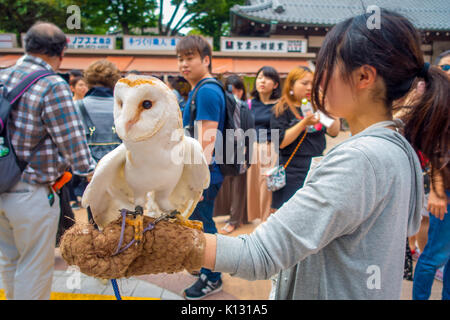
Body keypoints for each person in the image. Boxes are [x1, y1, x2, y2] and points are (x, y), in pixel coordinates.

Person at [168, 9, 449, 299]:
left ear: (364, 76)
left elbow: (259, 254)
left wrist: (163, 242)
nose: (318, 82)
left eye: (327, 68)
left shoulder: (360, 160)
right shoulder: (398, 145)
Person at [0, 22, 95, 299]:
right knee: (34, 268)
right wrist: (91, 173)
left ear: (27, 45)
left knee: (9, 261)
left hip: (1, 184)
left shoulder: (3, 77)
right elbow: (74, 145)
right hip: (32, 192)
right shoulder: (51, 84)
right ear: (61, 53)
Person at [176, 35, 226, 299]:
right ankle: (205, 268)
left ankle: (213, 277)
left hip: (204, 174)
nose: (184, 64)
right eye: (180, 59)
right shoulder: (200, 89)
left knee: (204, 226)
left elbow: (207, 142)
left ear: (206, 60)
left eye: (190, 58)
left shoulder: (206, 90)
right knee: (199, 224)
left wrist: (195, 181)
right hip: (202, 173)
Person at [270, 66, 340, 212]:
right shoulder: (281, 108)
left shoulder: (317, 108)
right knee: (289, 211)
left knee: (313, 210)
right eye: (304, 83)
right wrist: (303, 123)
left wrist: (329, 107)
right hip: (291, 168)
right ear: (291, 85)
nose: (309, 88)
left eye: (312, 83)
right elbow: (280, 142)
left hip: (316, 166)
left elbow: (334, 131)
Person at [412, 49, 450, 300]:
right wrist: (436, 192)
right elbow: (434, 149)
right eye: (446, 68)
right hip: (445, 190)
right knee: (434, 255)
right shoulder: (438, 105)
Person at [73, 59, 122, 220]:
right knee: (122, 225)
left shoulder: (77, 107)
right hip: (122, 174)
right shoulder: (123, 107)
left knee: (96, 222)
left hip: (91, 175)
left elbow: (73, 142)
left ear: (88, 80)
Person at [215, 75, 249, 234]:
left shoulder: (244, 107)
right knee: (226, 185)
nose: (235, 93)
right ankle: (234, 216)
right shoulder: (223, 106)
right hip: (223, 148)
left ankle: (235, 220)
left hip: (240, 149)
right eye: (231, 89)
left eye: (238, 89)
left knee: (238, 185)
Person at [246, 66, 280, 223]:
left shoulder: (279, 105)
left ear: (275, 84)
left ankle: (267, 222)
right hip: (252, 148)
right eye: (259, 77)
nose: (262, 81)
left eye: (267, 78)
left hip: (270, 148)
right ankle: (257, 219)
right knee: (252, 186)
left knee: (267, 187)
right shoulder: (249, 104)